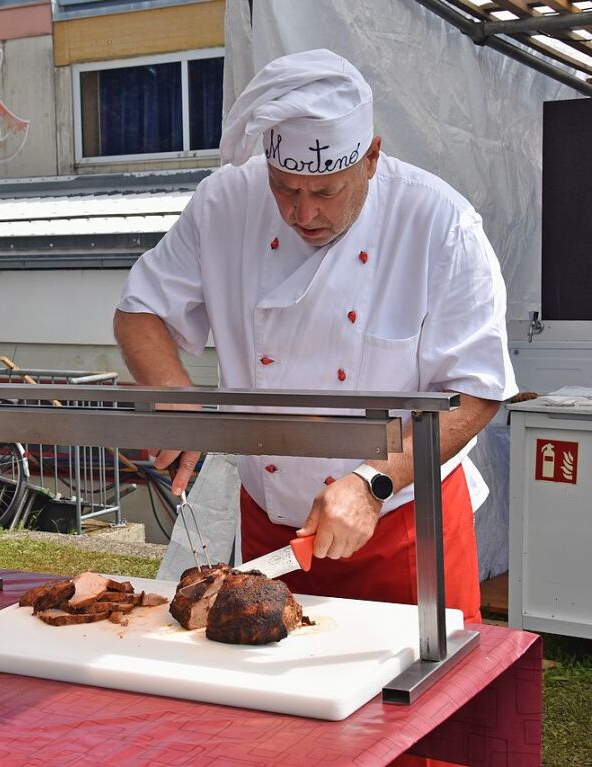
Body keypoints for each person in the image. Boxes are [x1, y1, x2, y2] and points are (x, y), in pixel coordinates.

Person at [114, 50, 517, 624]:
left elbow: (476, 392)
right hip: (271, 525)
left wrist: (371, 484)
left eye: (325, 192)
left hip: (402, 523)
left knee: (424, 702)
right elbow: (139, 311)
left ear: (372, 157)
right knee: (272, 696)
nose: (302, 213)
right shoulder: (224, 202)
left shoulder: (439, 223)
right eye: (284, 188)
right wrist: (179, 397)